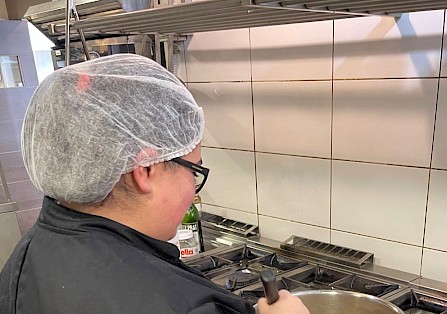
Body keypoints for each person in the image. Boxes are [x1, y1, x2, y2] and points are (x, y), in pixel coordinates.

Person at [0, 54, 309, 314]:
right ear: (145, 169)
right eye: (193, 170)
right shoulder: (181, 306)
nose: (193, 192)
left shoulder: (24, 259)